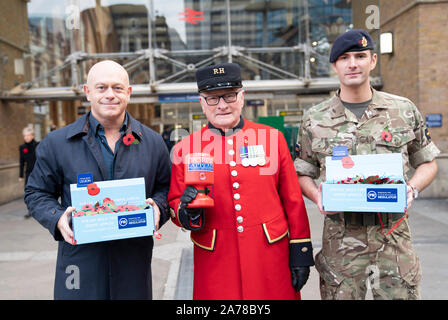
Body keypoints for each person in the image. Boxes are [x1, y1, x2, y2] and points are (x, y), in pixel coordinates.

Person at [294, 29, 440, 300]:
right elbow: (302, 171)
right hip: (341, 246)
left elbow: (428, 162)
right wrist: (318, 196)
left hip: (394, 241)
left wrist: (412, 189)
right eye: (344, 58)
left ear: (373, 60)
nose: (353, 64)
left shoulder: (403, 110)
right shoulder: (314, 119)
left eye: (360, 56)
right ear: (335, 65)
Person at [24, 60, 171, 299]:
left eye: (118, 88)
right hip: (79, 265)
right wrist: (57, 217)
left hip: (133, 265)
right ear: (87, 92)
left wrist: (159, 208)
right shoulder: (57, 143)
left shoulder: (153, 143)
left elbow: (165, 187)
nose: (110, 95)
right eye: (101, 88)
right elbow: (36, 193)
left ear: (129, 93)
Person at [168, 62, 314, 300]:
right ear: (201, 102)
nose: (222, 105)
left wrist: (300, 250)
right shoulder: (185, 148)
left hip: (269, 254)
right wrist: (185, 211)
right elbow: (174, 201)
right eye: (212, 98)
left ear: (242, 96)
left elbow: (292, 199)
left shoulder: (272, 139)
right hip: (216, 259)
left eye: (229, 95)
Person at [19, 126, 38, 219]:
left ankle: (39, 209)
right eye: (24, 136)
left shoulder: (38, 145)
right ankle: (30, 210)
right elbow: (21, 162)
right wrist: (20, 175)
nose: (26, 137)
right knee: (28, 192)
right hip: (28, 173)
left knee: (39, 191)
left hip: (38, 173)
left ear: (32, 136)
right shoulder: (22, 148)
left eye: (28, 135)